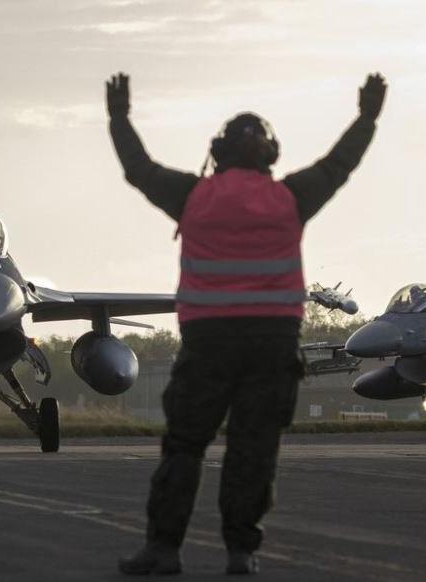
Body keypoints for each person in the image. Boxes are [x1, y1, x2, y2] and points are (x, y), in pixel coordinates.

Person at [108, 72, 386, 575]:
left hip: (208, 343)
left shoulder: (191, 196)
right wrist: (367, 117)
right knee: (253, 451)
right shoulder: (292, 198)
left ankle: (164, 549)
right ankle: (241, 553)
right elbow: (340, 164)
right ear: (271, 154)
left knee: (185, 447)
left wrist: (119, 117)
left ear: (217, 153)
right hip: (271, 346)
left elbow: (138, 168)